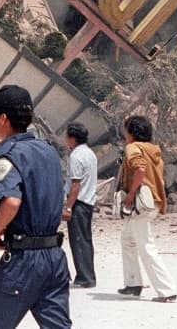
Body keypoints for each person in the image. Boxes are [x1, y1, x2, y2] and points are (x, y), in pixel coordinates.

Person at [0, 85, 71, 329]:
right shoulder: (47, 150)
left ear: (3, 118)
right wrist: (5, 143)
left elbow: (12, 201)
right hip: (55, 259)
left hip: (24, 262)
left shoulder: (8, 155)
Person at [118, 115, 177, 303]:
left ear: (131, 133)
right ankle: (133, 283)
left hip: (140, 202)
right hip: (153, 202)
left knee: (145, 244)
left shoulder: (133, 148)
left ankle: (166, 290)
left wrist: (130, 194)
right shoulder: (154, 151)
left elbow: (140, 169)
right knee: (127, 239)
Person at [62, 122, 97, 289]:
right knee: (85, 240)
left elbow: (75, 184)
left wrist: (68, 207)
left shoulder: (76, 156)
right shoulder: (90, 154)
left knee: (78, 241)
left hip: (79, 203)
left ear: (73, 138)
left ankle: (85, 277)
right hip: (88, 201)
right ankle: (87, 275)